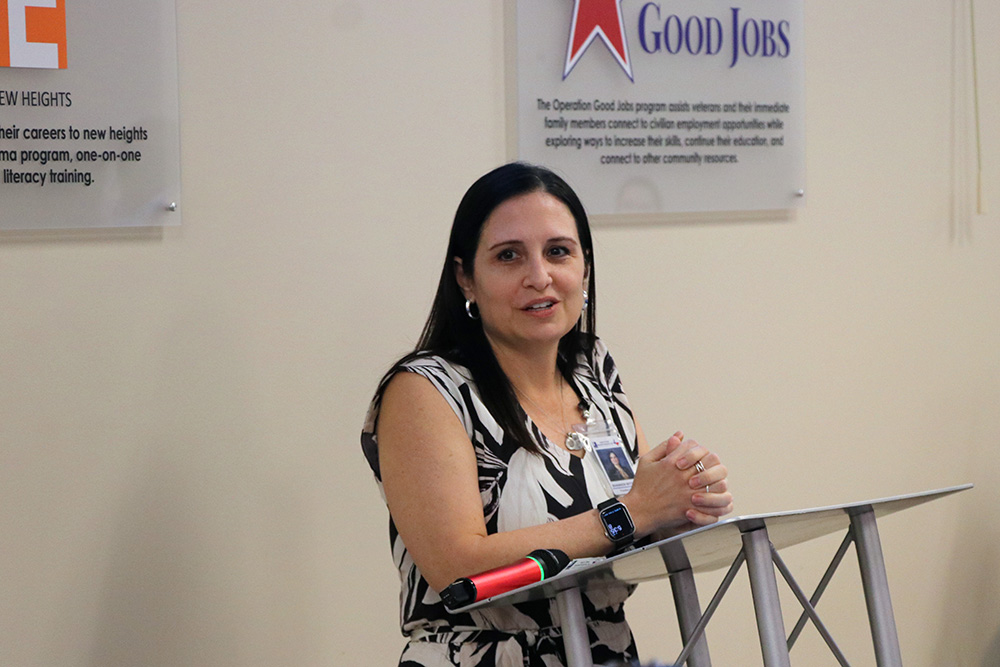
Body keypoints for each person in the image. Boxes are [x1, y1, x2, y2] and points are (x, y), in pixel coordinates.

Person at [361, 162, 733, 666]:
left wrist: (684, 501)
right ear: (466, 278)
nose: (539, 277)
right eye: (508, 256)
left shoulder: (592, 369)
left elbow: (640, 512)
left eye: (558, 252)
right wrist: (635, 513)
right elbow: (456, 568)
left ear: (584, 268)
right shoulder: (425, 390)